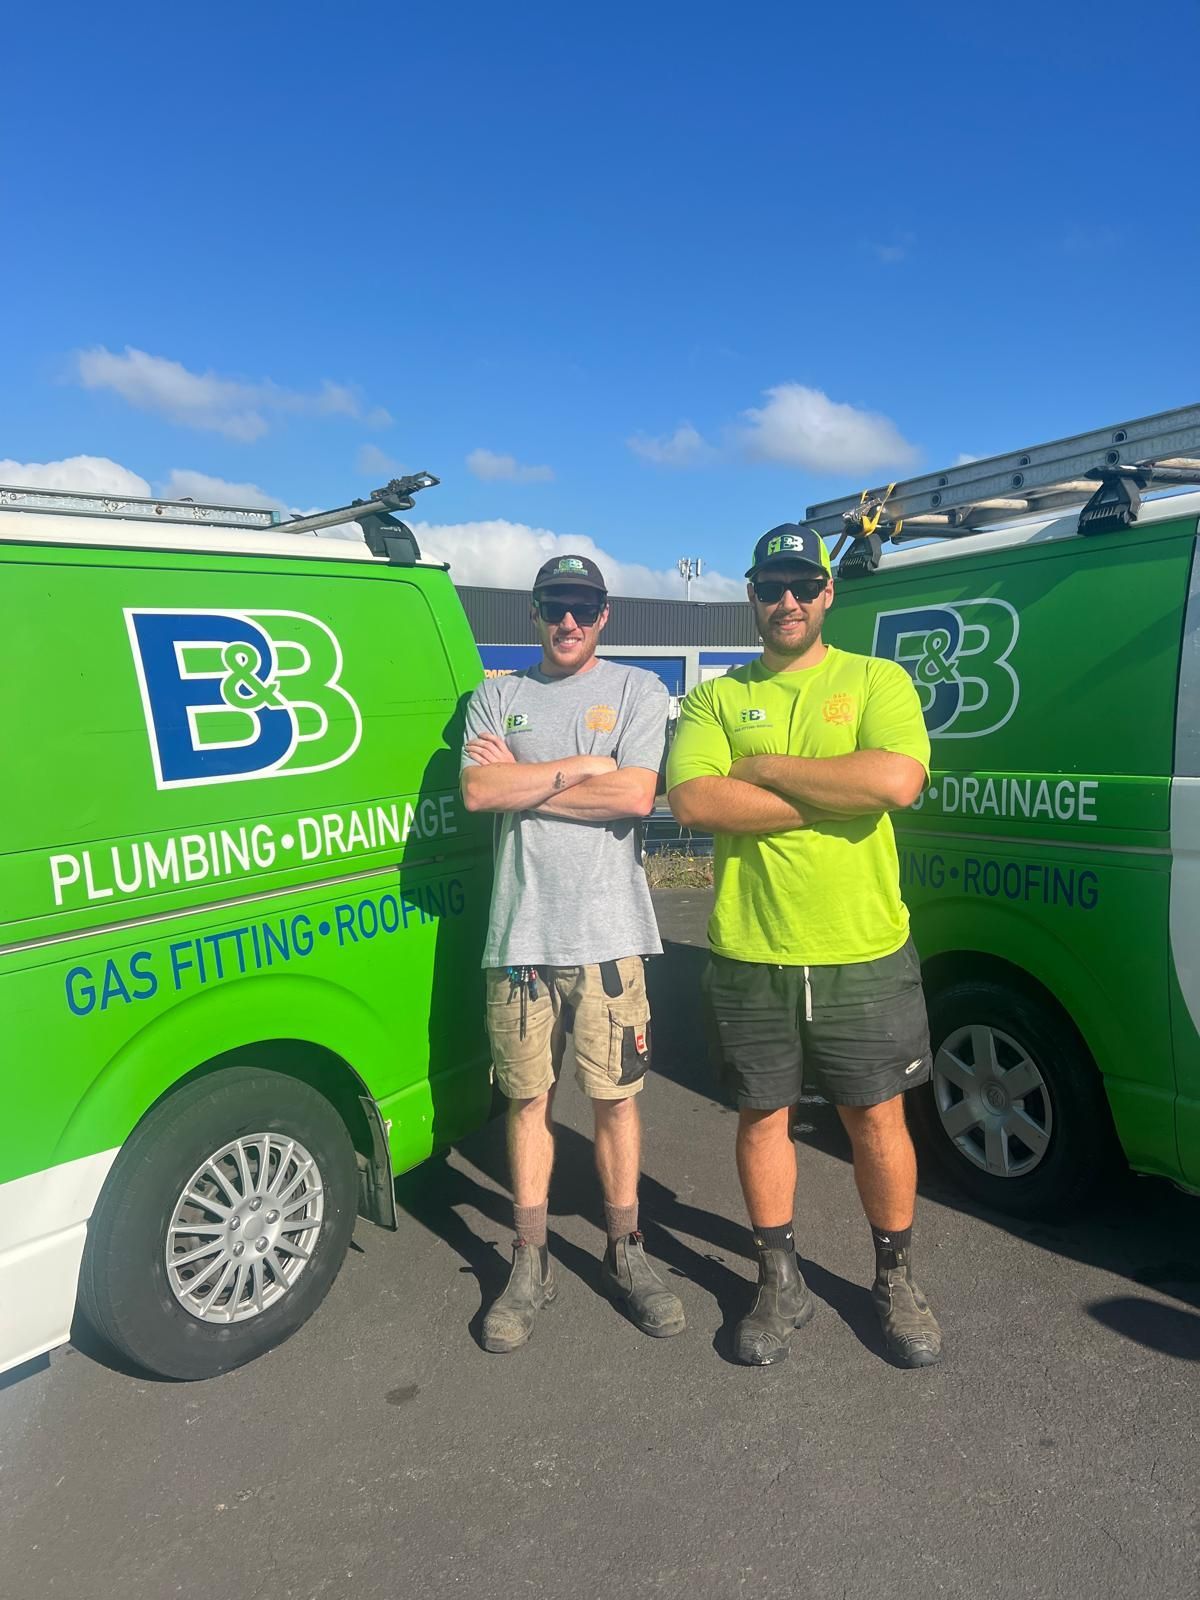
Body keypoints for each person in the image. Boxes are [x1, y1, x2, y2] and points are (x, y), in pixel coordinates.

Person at [666, 524, 942, 1368]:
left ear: (827, 594)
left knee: (875, 1119)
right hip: (753, 948)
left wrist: (763, 769)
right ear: (750, 596)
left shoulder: (876, 679)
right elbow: (692, 803)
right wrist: (836, 793)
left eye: (801, 585)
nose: (785, 600)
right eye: (769, 586)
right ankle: (778, 1281)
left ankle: (895, 1279)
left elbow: (896, 781)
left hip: (863, 947)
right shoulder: (715, 697)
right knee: (763, 1118)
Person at [461, 553, 685, 1353]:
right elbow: (479, 792)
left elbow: (635, 795)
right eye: (555, 607)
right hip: (519, 937)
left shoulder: (637, 691)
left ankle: (626, 1249)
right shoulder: (498, 694)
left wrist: (533, 778)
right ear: (533, 612)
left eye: (583, 609)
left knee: (615, 1101)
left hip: (610, 940)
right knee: (528, 1102)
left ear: (605, 616)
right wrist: (583, 767)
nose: (568, 622)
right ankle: (530, 1257)